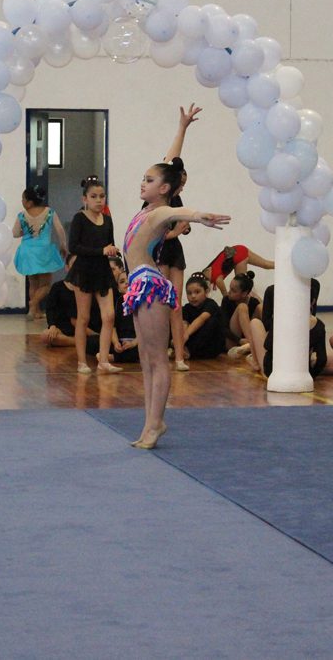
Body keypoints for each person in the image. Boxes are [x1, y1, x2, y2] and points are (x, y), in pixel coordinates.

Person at [123, 157, 230, 449]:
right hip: (138, 284)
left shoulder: (160, 212)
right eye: (143, 178)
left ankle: (156, 422)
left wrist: (198, 216)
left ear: (164, 188)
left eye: (149, 180)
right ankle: (150, 423)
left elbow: (178, 210)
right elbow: (169, 163)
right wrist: (181, 133)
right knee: (145, 359)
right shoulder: (147, 210)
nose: (143, 183)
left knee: (157, 358)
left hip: (150, 284)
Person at [153, 103, 202, 370]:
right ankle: (160, 352)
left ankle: (180, 355)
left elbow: (184, 224)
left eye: (184, 184)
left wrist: (185, 228)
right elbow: (156, 235)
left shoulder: (177, 200)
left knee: (175, 304)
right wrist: (181, 128)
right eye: (180, 184)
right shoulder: (157, 199)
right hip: (160, 251)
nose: (181, 188)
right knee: (161, 304)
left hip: (174, 253)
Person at [66, 176, 120, 374]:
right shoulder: (79, 219)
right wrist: (101, 251)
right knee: (84, 317)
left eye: (102, 196)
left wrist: (112, 250)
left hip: (102, 271)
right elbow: (74, 247)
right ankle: (82, 361)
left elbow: (109, 243)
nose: (99, 200)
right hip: (84, 271)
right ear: (85, 199)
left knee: (109, 316)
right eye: (94, 196)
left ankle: (103, 360)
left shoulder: (108, 220)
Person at [248, 280, 328, 378]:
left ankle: (257, 365)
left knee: (255, 323)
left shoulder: (281, 319)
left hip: (275, 371)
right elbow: (322, 359)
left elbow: (268, 345)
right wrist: (311, 374)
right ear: (313, 301)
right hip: (301, 372)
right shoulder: (319, 325)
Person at [12, 185, 67, 320]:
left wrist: (25, 233)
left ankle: (34, 311)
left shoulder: (22, 215)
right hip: (44, 251)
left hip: (27, 251)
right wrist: (63, 245)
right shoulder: (49, 212)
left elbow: (15, 233)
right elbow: (60, 229)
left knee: (33, 283)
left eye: (23, 199)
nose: (22, 202)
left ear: (30, 202)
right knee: (46, 285)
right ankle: (34, 305)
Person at [181, 273, 225, 360]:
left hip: (211, 346)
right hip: (194, 344)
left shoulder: (211, 304)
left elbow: (201, 319)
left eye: (197, 292)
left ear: (206, 292)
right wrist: (181, 340)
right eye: (189, 293)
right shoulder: (186, 308)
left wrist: (186, 334)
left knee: (211, 321)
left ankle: (188, 350)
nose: (193, 296)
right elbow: (184, 323)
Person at [203, 244, 275, 297]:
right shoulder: (207, 270)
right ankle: (281, 264)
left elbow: (220, 283)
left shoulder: (215, 278)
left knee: (244, 289)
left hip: (238, 257)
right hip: (239, 249)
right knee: (266, 264)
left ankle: (261, 307)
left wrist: (226, 298)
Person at [221, 271, 262, 356]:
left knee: (260, 307)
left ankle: (254, 345)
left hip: (247, 341)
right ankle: (252, 345)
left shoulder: (254, 302)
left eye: (233, 290)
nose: (229, 292)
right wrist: (239, 340)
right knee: (242, 307)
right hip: (233, 341)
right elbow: (223, 327)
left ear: (244, 293)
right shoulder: (227, 301)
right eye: (230, 288)